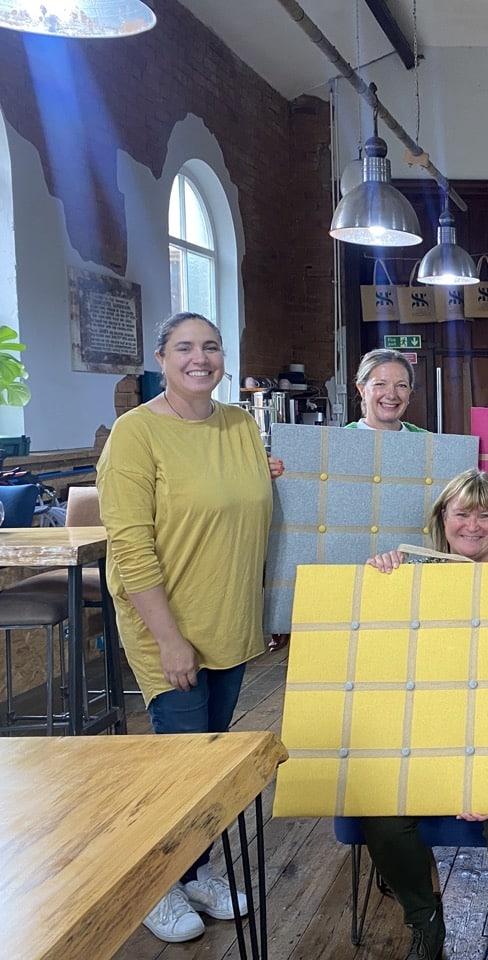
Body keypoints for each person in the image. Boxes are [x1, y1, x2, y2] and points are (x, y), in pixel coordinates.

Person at [98, 312, 273, 944]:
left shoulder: (240, 425)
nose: (200, 358)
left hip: (229, 618)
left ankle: (193, 873)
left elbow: (248, 504)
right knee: (178, 767)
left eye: (211, 347)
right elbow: (130, 546)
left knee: (208, 760)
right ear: (162, 359)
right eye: (184, 348)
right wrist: (170, 640)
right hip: (167, 629)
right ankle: (153, 887)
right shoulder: (136, 434)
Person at [362, 469, 488, 960]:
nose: (472, 525)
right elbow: (385, 666)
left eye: (485, 514)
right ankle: (424, 921)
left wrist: (476, 769)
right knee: (382, 813)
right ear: (442, 519)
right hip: (423, 732)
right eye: (462, 513)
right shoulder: (410, 576)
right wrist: (380, 579)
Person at [348, 348, 427, 431]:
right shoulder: (340, 438)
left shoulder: (427, 438)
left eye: (401, 385)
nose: (391, 395)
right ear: (362, 389)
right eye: (380, 384)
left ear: (409, 392)